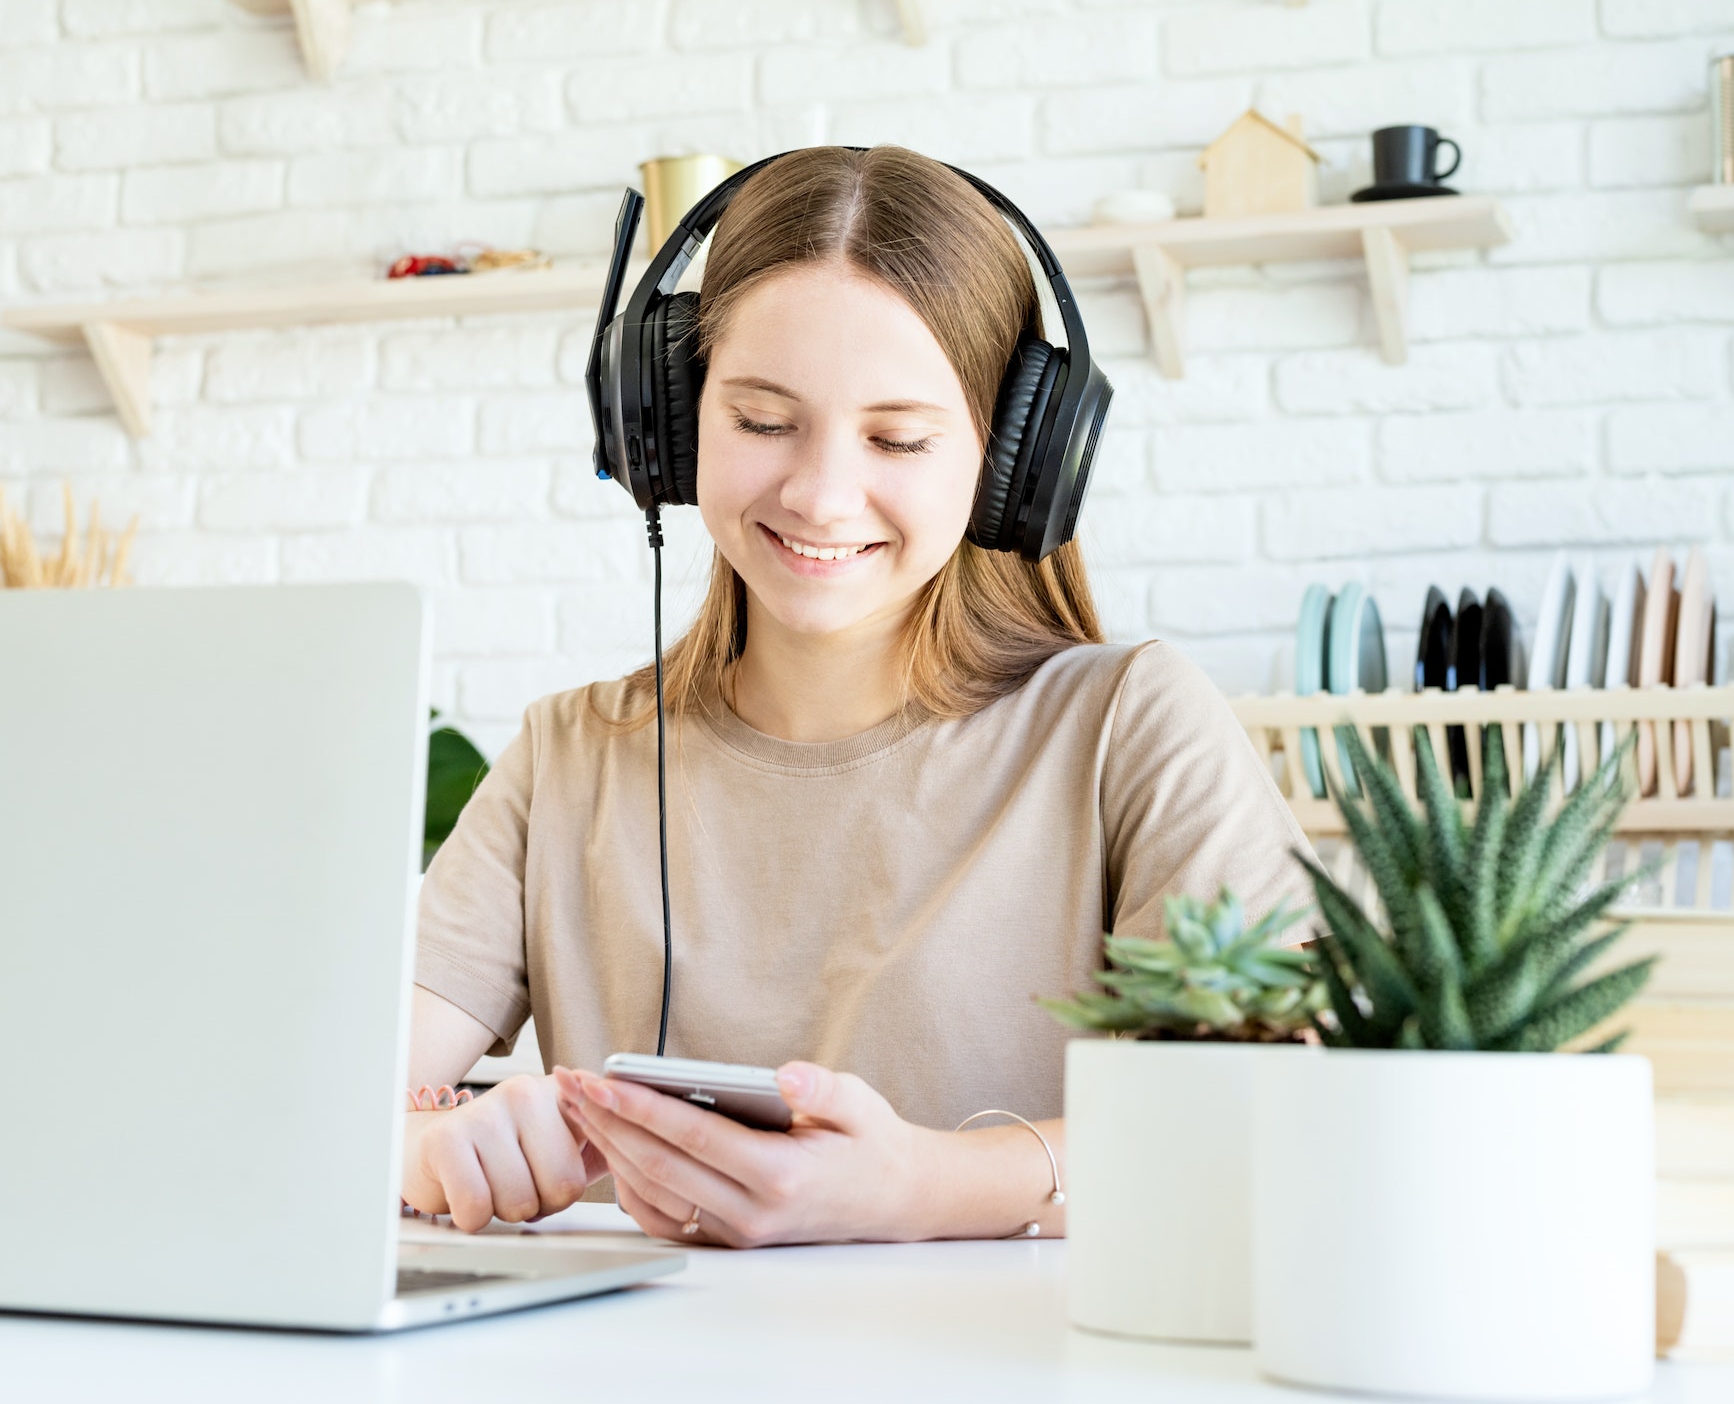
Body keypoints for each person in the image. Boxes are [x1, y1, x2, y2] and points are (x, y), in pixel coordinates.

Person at [402, 146, 1312, 1248]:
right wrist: (421, 1148)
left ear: (1014, 459)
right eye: (761, 421)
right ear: (672, 427)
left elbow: (1265, 1114)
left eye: (897, 438)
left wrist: (927, 1186)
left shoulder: (1128, 725)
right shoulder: (570, 756)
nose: (822, 496)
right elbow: (314, 1094)